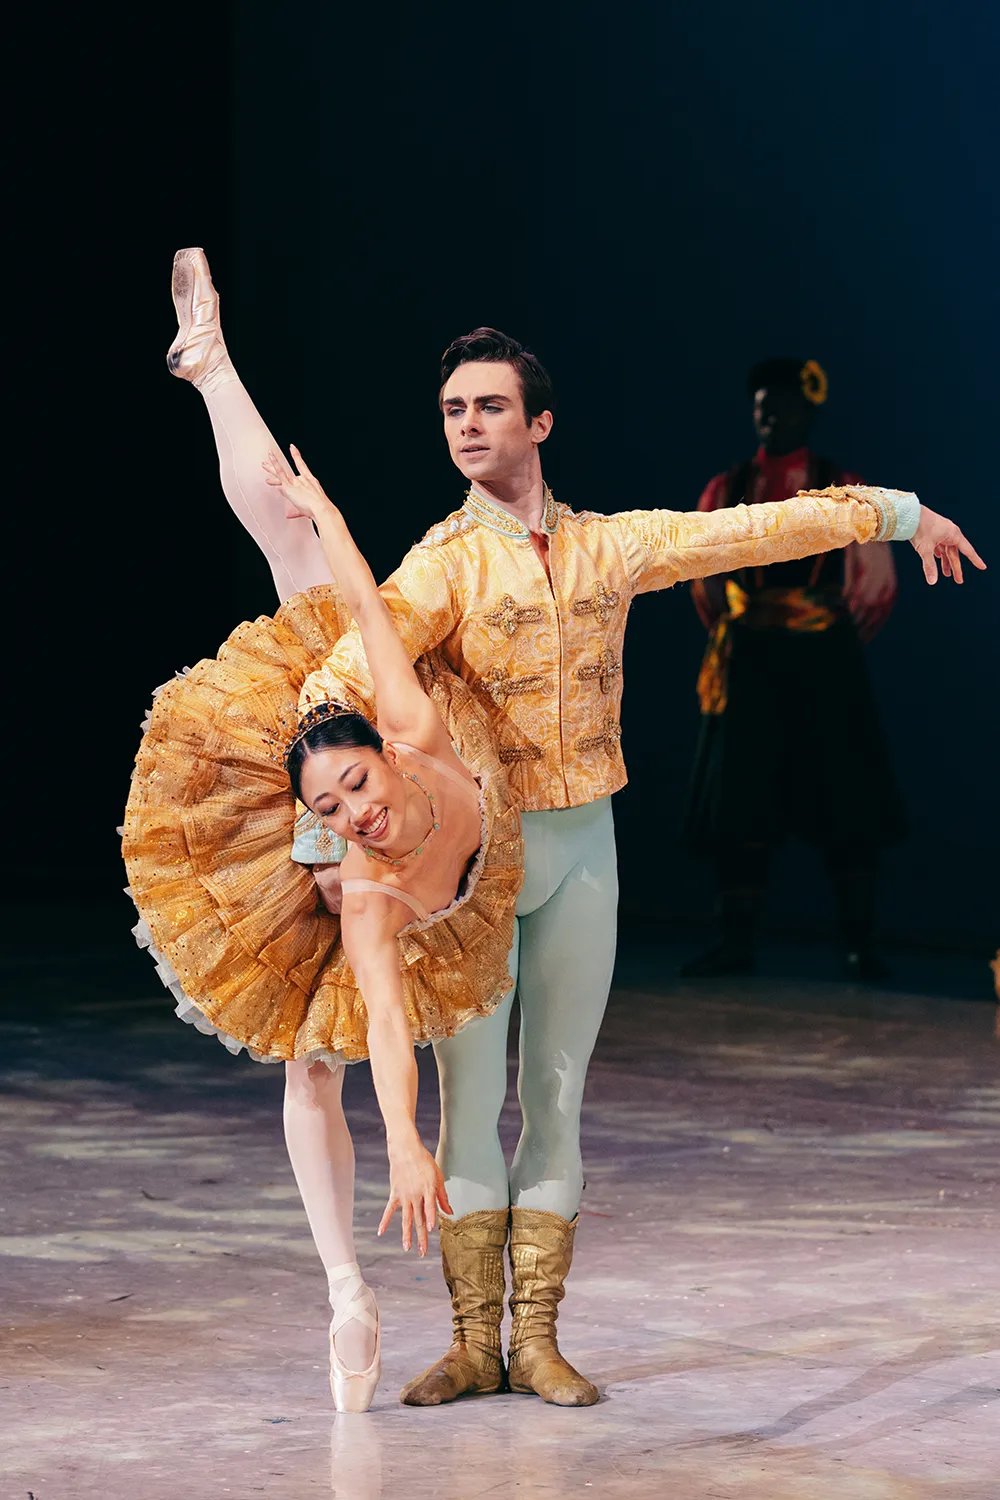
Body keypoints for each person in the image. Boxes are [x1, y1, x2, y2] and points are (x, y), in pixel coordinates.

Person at [292, 309, 983, 1408]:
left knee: (556, 1096)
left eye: (488, 407)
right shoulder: (441, 566)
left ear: (540, 421)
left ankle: (541, 1340)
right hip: (473, 873)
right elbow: (330, 684)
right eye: (451, 411)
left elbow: (751, 534)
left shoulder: (610, 546)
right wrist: (326, 830)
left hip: (582, 854)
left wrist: (901, 513)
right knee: (472, 1102)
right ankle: (475, 1343)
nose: (467, 426)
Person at [121, 251, 523, 1414]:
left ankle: (211, 370)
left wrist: (332, 510)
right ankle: (346, 1291)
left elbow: (358, 606)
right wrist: (404, 1136)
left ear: (392, 756)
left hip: (358, 735)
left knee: (307, 556)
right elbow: (387, 1018)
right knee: (311, 1058)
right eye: (341, 814)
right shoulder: (361, 874)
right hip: (315, 800)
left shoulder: (410, 726)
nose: (360, 815)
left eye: (358, 794)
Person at [680, 356, 908, 980]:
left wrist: (821, 636)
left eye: (782, 407)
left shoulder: (844, 486)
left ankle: (859, 944)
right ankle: (736, 943)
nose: (771, 418)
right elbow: (702, 581)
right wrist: (751, 630)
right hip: (750, 659)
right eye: (762, 409)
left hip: (823, 662)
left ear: (808, 412)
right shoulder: (724, 491)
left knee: (847, 798)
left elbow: (875, 585)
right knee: (741, 802)